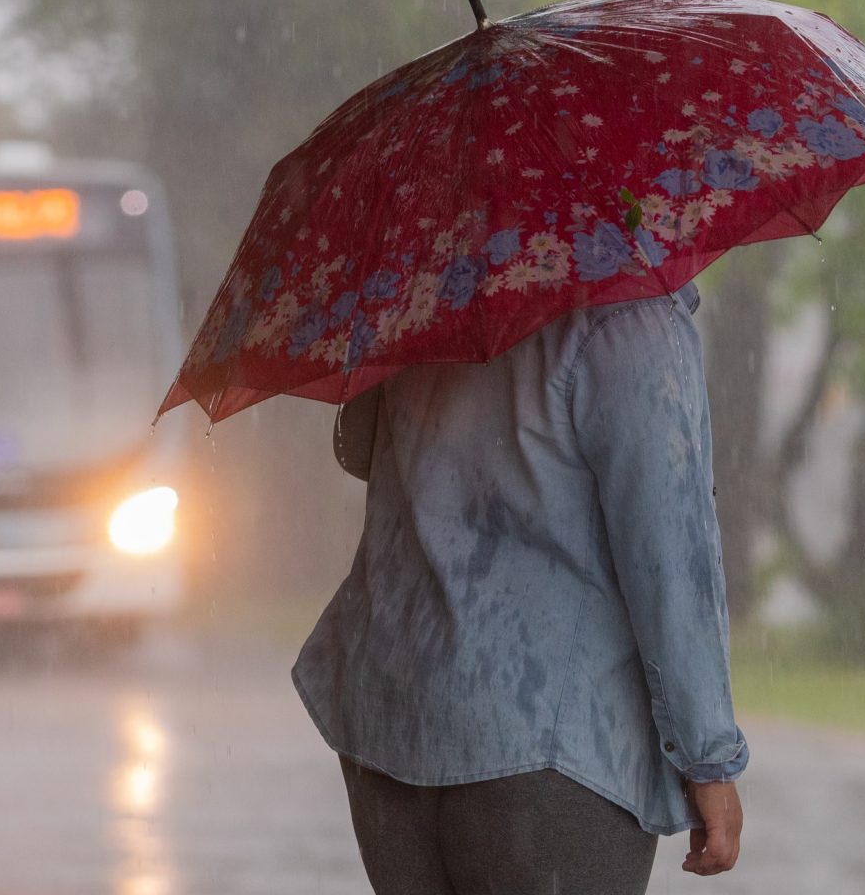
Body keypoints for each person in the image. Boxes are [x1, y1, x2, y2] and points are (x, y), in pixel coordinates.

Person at [294, 283, 747, 895]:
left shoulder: (425, 290)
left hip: (395, 723)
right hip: (550, 754)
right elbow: (671, 556)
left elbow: (357, 447)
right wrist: (708, 759)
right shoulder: (630, 313)